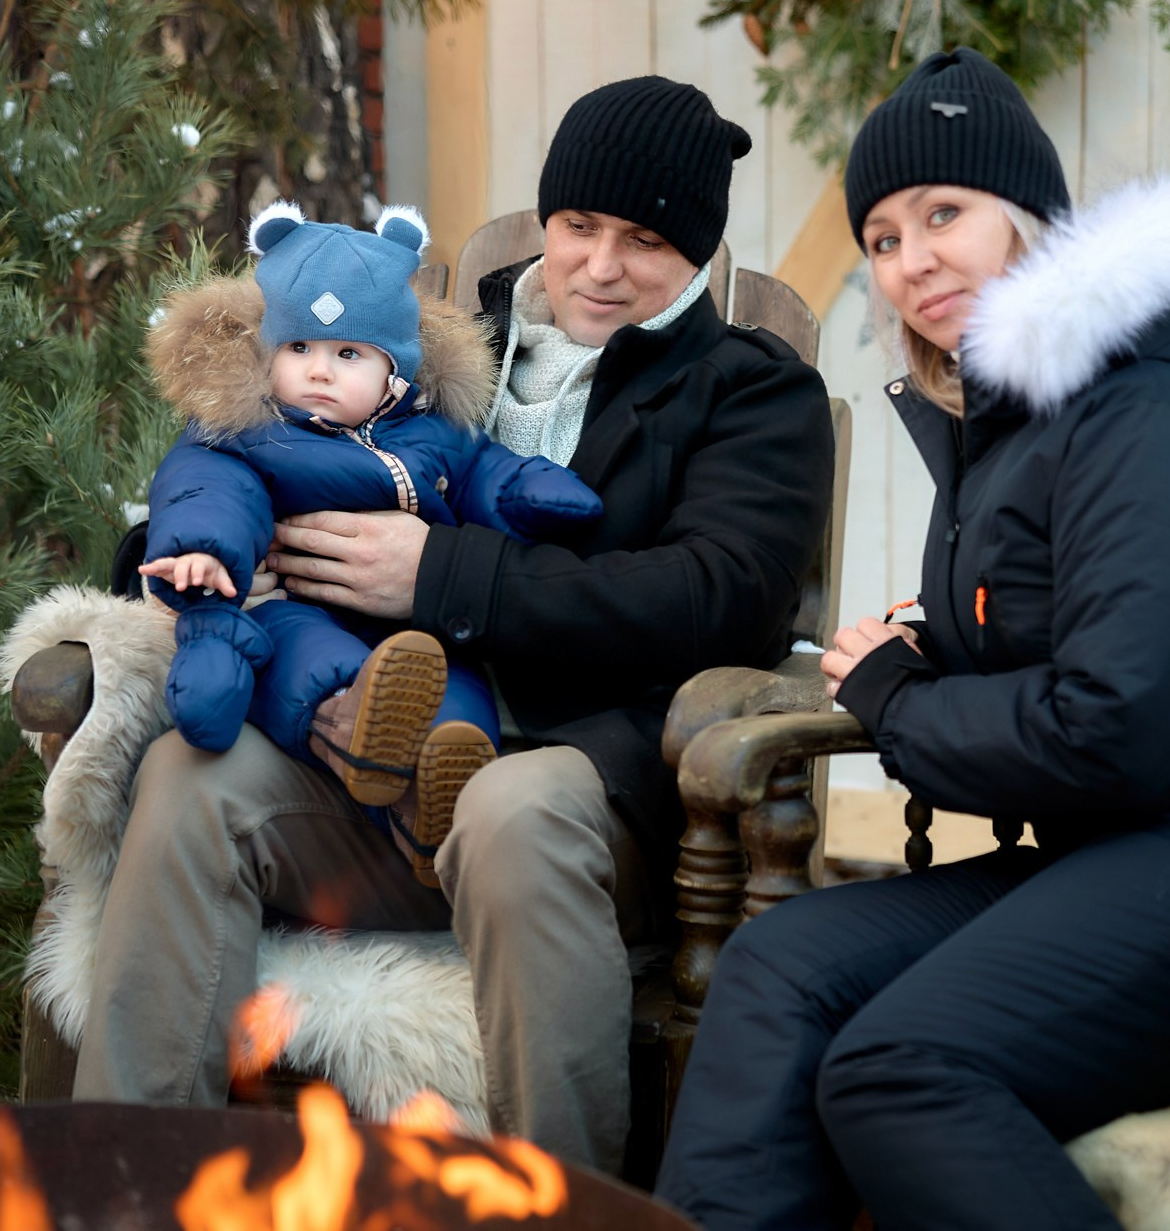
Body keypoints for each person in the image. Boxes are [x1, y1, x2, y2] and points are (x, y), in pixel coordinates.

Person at [73, 75, 836, 1175]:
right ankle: (127, 1182)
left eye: (646, 241)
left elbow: (718, 593)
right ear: (546, 217)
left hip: (588, 782)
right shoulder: (422, 353)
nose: (601, 264)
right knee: (195, 784)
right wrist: (191, 569)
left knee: (507, 807)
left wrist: (444, 575)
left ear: (698, 256)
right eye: (578, 225)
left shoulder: (746, 393)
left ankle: (558, 1203)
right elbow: (239, 457)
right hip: (363, 766)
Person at [653, 47, 1170, 1229]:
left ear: (1028, 218)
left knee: (899, 1068)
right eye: (880, 237)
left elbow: (1119, 728)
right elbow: (1061, 632)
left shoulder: (1153, 406)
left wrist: (895, 696)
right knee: (779, 969)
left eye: (943, 214)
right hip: (1119, 852)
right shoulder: (1013, 425)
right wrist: (927, 646)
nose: (910, 259)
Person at [137, 203, 601, 883]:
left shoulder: (435, 431)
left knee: (451, 687)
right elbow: (206, 488)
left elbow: (482, 476)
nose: (318, 371)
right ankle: (354, 730)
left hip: (415, 624)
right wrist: (205, 548)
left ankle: (435, 805)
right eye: (298, 349)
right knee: (310, 658)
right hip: (296, 605)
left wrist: (531, 492)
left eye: (347, 353)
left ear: (397, 372)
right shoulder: (248, 430)